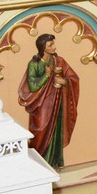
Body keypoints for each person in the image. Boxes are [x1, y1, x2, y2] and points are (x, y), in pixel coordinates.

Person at [18, 33, 79, 168]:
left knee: (56, 133)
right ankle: (38, 163)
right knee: (40, 131)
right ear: (43, 47)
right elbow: (33, 86)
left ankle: (55, 162)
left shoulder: (59, 61)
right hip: (41, 106)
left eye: (53, 44)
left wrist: (64, 81)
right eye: (50, 45)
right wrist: (46, 75)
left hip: (57, 104)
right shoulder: (34, 64)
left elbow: (74, 78)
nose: (54, 47)